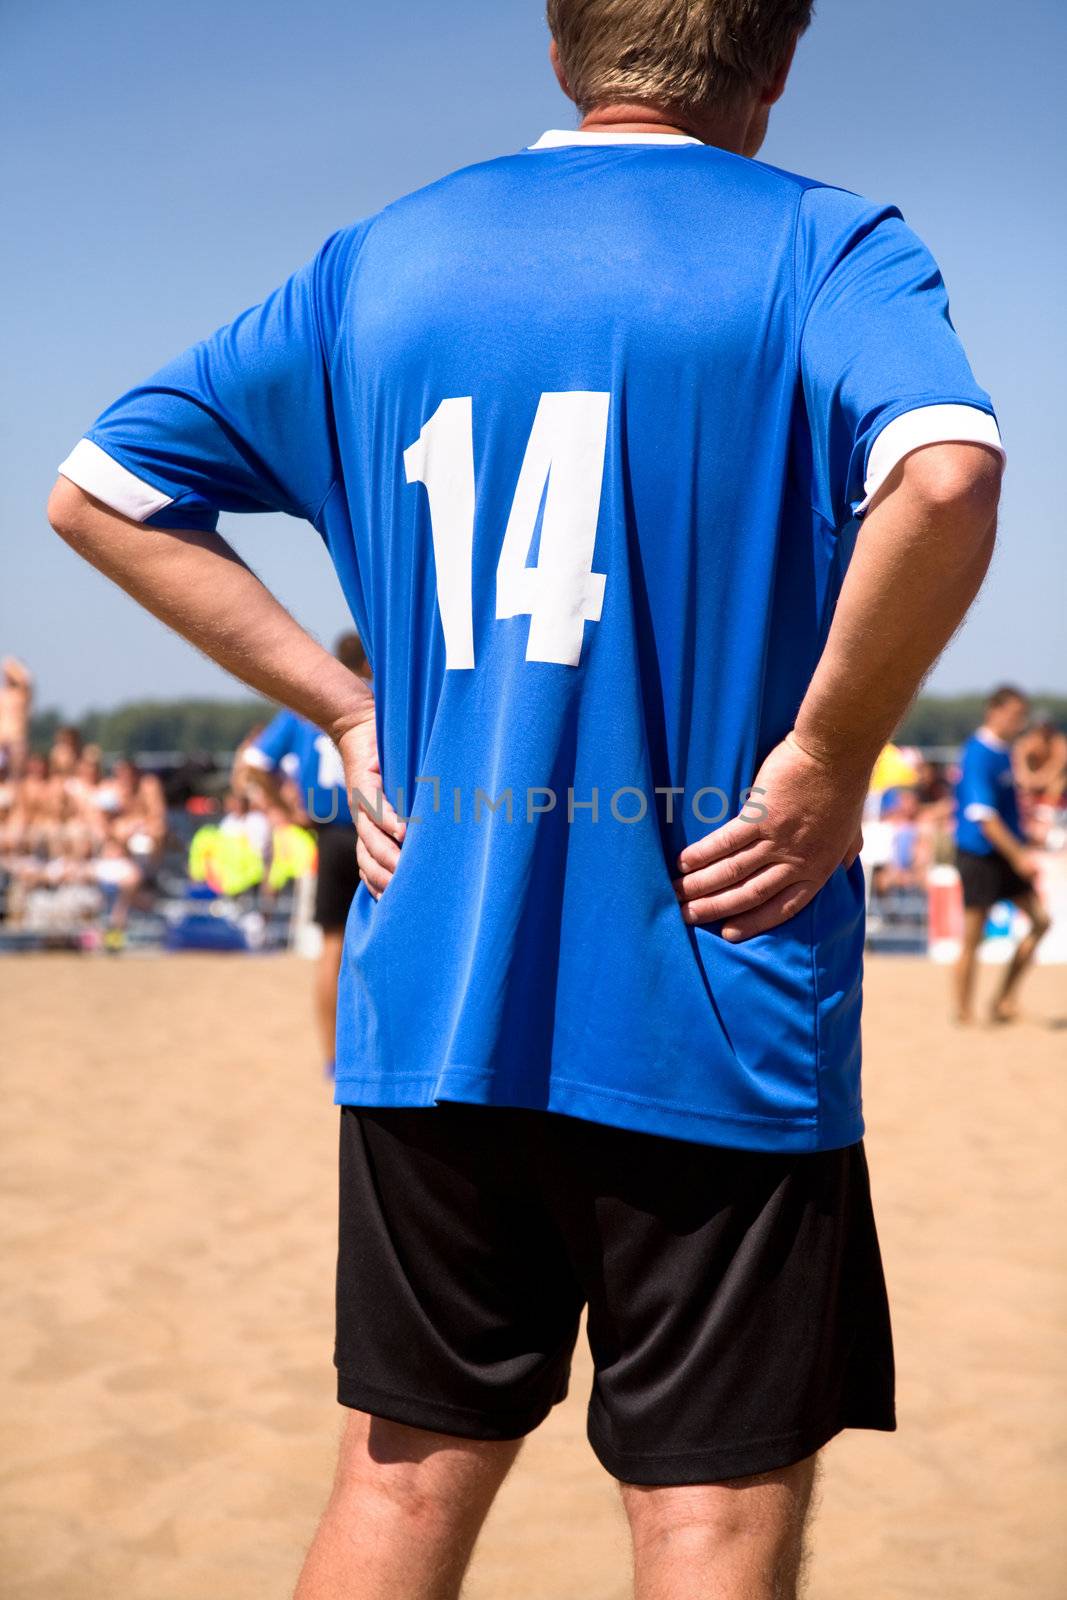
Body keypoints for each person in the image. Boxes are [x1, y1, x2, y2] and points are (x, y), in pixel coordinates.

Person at [47, 1, 1007, 1593]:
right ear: (773, 64)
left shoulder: (382, 257)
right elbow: (945, 469)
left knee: (398, 1488)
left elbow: (103, 493)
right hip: (715, 969)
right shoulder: (826, 248)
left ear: (559, 52)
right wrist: (830, 757)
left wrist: (342, 705)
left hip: (432, 978)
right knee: (704, 1516)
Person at [239, 632, 371, 1077]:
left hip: (329, 832)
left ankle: (333, 1058)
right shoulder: (383, 699)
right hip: (379, 828)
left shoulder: (307, 707)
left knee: (331, 947)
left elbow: (255, 763)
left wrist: (286, 810)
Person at [954, 686, 1051, 1025]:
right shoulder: (978, 752)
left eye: (1021, 715)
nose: (1019, 721)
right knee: (973, 936)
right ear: (993, 711)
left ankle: (1003, 999)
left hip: (1006, 853)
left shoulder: (1004, 752)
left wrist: (1026, 836)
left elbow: (1005, 812)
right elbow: (984, 817)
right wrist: (1019, 854)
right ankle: (964, 1012)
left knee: (1041, 921)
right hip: (980, 853)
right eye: (1014, 714)